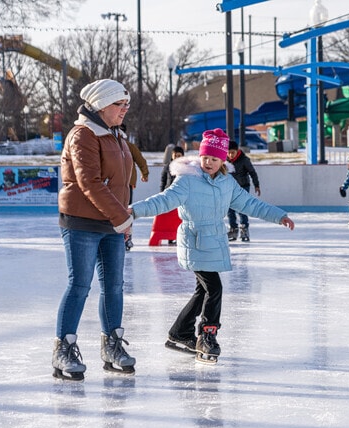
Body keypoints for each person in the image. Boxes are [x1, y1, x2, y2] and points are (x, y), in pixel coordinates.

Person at [129, 128, 294, 364]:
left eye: (214, 159)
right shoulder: (187, 179)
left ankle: (179, 333)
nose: (208, 162)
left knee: (202, 290)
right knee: (213, 288)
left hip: (214, 240)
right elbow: (163, 200)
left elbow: (250, 204)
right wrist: (135, 210)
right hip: (194, 239)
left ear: (223, 159)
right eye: (205, 157)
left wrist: (279, 216)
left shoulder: (227, 183)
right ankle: (207, 333)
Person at [53, 78, 136, 381]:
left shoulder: (116, 136)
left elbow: (122, 185)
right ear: (101, 104)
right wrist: (122, 219)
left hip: (111, 223)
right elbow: (90, 183)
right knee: (80, 285)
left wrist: (124, 217)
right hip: (81, 222)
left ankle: (112, 345)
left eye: (126, 104)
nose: (125, 109)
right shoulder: (83, 135)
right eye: (119, 104)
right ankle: (64, 348)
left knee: (114, 286)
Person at [121, 124, 150, 251]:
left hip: (126, 184)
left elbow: (140, 160)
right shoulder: (106, 144)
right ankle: (113, 239)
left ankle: (127, 238)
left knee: (126, 211)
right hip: (111, 184)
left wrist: (145, 174)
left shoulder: (128, 146)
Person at [226, 140, 260, 242]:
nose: (231, 155)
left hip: (243, 187)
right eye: (229, 152)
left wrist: (256, 185)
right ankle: (233, 229)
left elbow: (252, 172)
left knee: (242, 209)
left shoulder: (244, 160)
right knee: (230, 210)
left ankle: (244, 229)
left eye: (233, 152)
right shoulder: (224, 161)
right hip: (229, 188)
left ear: (237, 151)